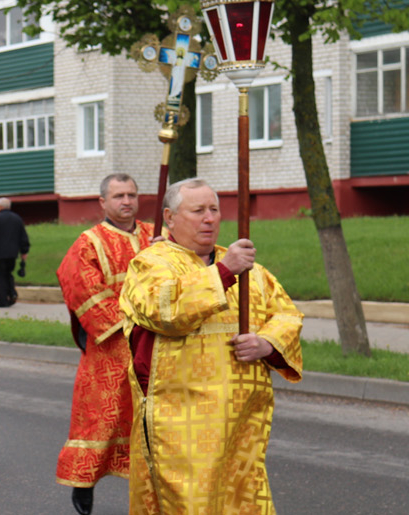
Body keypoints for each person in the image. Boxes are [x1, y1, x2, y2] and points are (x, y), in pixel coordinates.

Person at [121, 178, 303, 513]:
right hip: (180, 423)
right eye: (198, 210)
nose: (209, 218)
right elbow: (164, 311)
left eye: (214, 210)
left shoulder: (250, 270)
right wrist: (223, 271)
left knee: (243, 502)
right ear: (170, 218)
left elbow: (287, 315)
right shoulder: (151, 264)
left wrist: (266, 342)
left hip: (242, 425)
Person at [54, 174, 154, 515]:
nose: (126, 201)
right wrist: (133, 322)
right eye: (118, 196)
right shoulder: (89, 242)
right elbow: (81, 286)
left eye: (132, 194)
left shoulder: (157, 236)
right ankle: (84, 485)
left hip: (156, 347)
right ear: (103, 203)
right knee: (100, 419)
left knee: (151, 421)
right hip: (111, 350)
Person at [0, 197, 29, 307]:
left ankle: (3, 300)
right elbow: (23, 236)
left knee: (0, 276)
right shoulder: (17, 219)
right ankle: (11, 293)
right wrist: (24, 251)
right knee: (8, 273)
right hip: (12, 253)